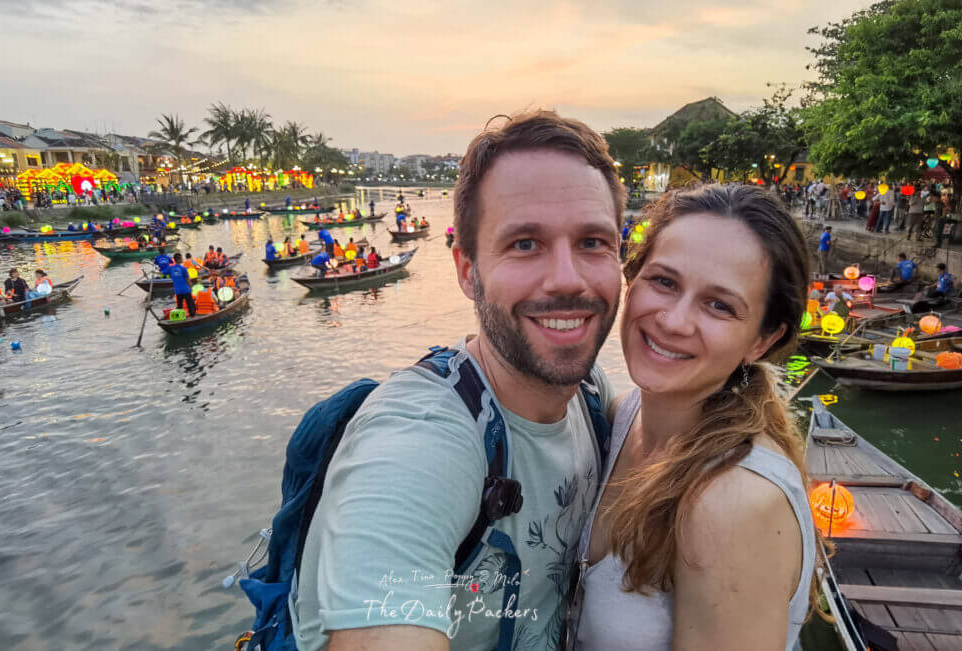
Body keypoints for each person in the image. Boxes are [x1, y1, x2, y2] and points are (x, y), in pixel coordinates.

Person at [293, 110, 624, 651]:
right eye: (524, 243)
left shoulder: (591, 395)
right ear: (468, 271)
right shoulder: (421, 436)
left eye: (592, 242)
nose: (567, 277)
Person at [572, 184, 821, 651]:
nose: (673, 321)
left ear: (762, 340)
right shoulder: (626, 416)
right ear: (633, 278)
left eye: (719, 305)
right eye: (664, 281)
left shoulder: (730, 503)